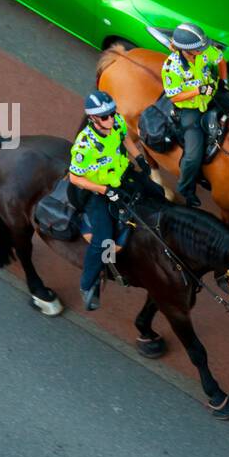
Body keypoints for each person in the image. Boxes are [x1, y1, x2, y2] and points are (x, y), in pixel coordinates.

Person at [67, 90, 150, 311]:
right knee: (103, 240)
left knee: (158, 192)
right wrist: (104, 190)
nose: (111, 119)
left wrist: (140, 158)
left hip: (122, 178)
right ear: (93, 118)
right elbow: (75, 177)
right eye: (105, 117)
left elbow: (125, 139)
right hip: (98, 193)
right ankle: (87, 284)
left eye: (112, 113)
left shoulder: (117, 123)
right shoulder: (85, 145)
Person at [161, 22, 229, 207]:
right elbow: (173, 96)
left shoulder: (204, 51)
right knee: (193, 155)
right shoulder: (171, 68)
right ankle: (186, 188)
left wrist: (223, 81)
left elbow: (220, 60)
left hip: (212, 93)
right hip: (191, 109)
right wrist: (198, 90)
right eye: (199, 48)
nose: (204, 49)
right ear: (186, 51)